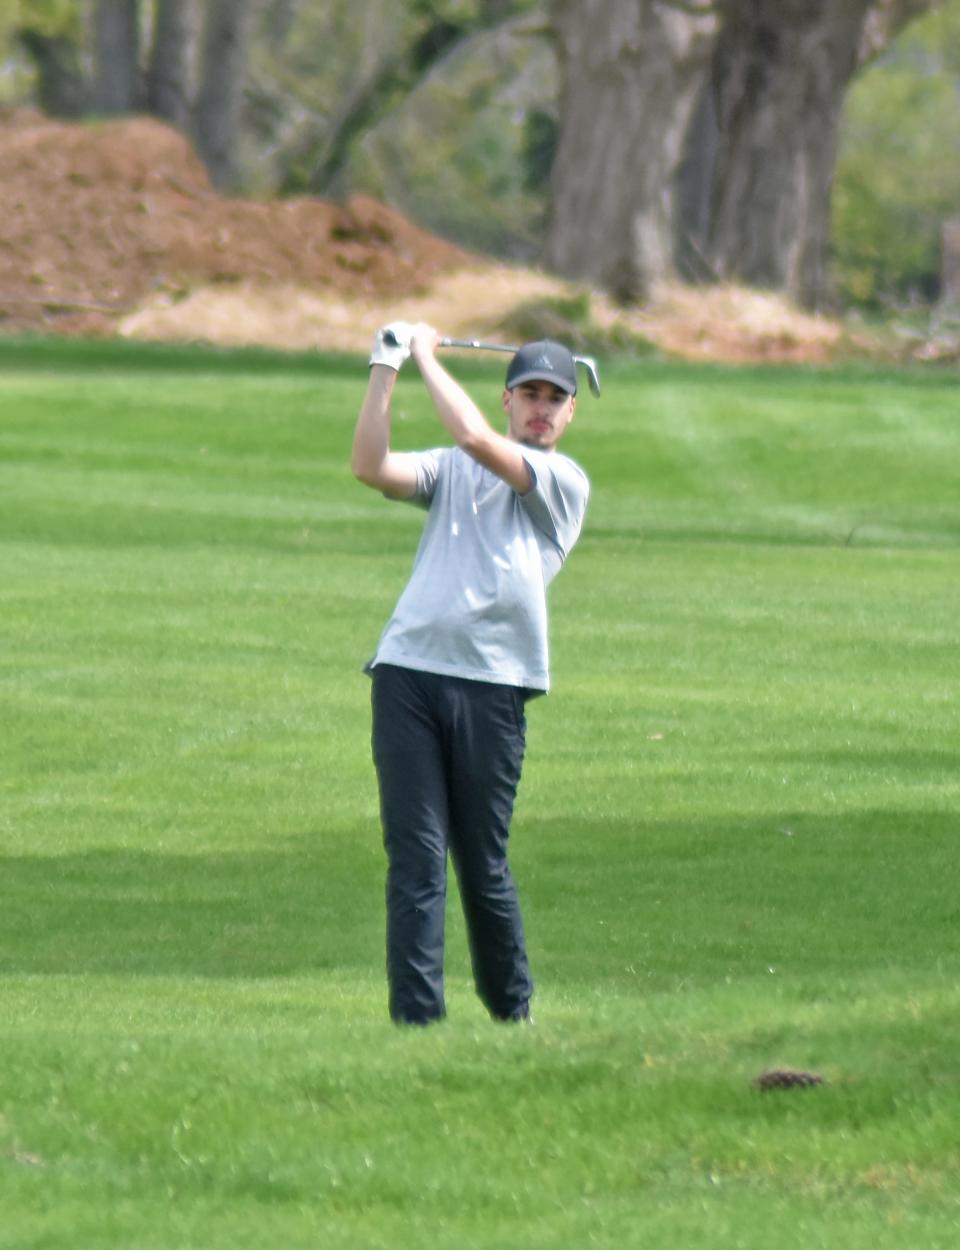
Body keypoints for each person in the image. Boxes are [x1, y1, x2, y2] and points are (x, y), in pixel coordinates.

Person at [351, 321, 590, 1025]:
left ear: (570, 412)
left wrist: (426, 354)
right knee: (416, 859)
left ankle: (511, 1011)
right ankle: (418, 1023)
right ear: (508, 398)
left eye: (555, 398)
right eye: (529, 394)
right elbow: (372, 467)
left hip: (493, 685)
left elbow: (476, 441)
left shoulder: (561, 480)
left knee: (482, 864)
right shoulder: (452, 472)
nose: (541, 408)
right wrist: (384, 367)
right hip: (408, 674)